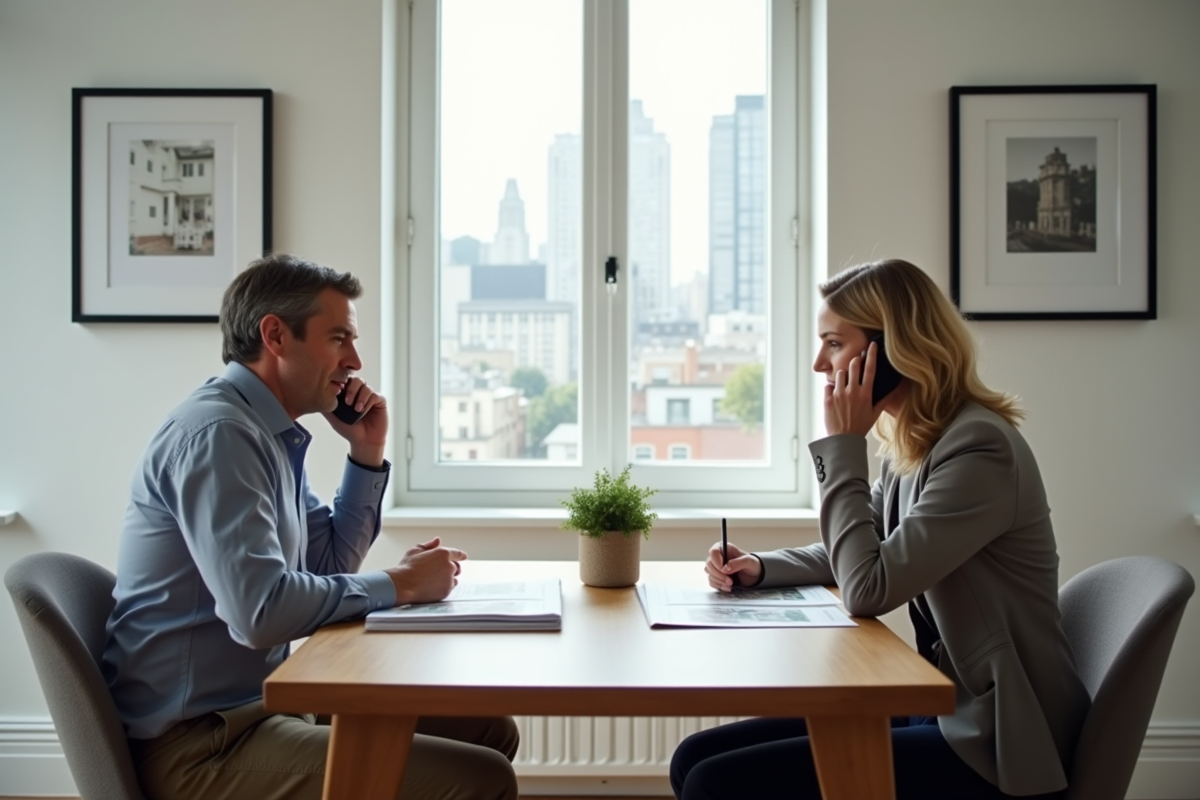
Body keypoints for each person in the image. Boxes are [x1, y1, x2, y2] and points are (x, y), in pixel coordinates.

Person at [102, 253, 519, 800]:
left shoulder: (266, 433)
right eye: (339, 338)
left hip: (263, 705)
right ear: (275, 335)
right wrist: (402, 584)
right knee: (480, 780)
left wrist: (367, 452)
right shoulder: (220, 435)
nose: (355, 359)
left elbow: (325, 568)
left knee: (490, 730)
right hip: (201, 743)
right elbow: (261, 613)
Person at [670, 259, 1090, 800]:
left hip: (996, 737)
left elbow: (867, 589)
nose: (821, 362)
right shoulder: (917, 441)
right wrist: (762, 567)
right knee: (695, 757)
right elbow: (862, 549)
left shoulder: (978, 450)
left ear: (891, 350)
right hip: (937, 705)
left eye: (834, 344)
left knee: (714, 782)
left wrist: (844, 448)